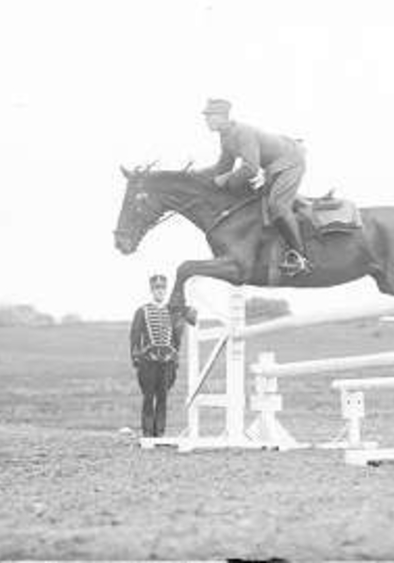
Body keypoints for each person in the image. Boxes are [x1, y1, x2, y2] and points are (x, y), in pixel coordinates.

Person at [197, 98, 313, 277]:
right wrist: (196, 176)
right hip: (273, 168)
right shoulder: (225, 137)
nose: (206, 120)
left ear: (222, 116)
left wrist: (225, 180)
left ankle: (300, 258)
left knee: (277, 206)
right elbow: (223, 167)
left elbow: (251, 168)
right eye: (206, 116)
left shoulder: (242, 132)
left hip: (290, 161)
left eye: (209, 116)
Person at [129, 272, 182, 438]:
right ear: (152, 290)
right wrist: (135, 356)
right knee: (148, 396)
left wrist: (175, 357)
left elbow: (176, 338)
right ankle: (147, 432)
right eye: (157, 288)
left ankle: (159, 432)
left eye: (162, 288)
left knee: (163, 397)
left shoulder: (172, 311)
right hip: (148, 360)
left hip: (167, 361)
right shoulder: (142, 311)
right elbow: (135, 335)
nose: (160, 291)